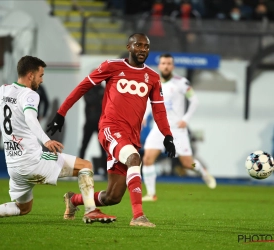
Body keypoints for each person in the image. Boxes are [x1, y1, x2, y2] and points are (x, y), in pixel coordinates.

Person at [47, 33, 176, 227]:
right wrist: (61, 112)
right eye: (138, 45)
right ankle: (138, 216)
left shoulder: (153, 77)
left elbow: (159, 109)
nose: (142, 50)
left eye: (146, 47)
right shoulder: (112, 66)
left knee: (113, 197)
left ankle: (73, 200)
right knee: (135, 158)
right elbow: (83, 87)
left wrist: (168, 135)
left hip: (131, 137)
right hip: (110, 128)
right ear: (129, 46)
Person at [0, 56, 116, 224]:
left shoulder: (4, 90)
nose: (42, 80)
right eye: (40, 75)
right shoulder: (30, 95)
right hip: (33, 161)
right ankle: (91, 211)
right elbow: (30, 118)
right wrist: (46, 140)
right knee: (85, 166)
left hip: (14, 167)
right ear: (30, 75)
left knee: (23, 208)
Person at [141, 53, 216, 202]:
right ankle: (151, 194)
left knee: (188, 164)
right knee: (148, 159)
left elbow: (195, 101)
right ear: (160, 65)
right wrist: (144, 116)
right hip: (159, 129)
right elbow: (151, 102)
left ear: (173, 66)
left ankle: (202, 170)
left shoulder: (181, 82)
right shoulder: (153, 82)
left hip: (177, 130)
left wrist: (185, 119)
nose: (166, 66)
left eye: (169, 63)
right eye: (163, 63)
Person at [79, 83, 106, 175]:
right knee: (84, 146)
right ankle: (79, 167)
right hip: (89, 123)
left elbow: (106, 102)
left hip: (100, 124)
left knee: (103, 147)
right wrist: (99, 99)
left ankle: (105, 170)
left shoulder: (103, 89)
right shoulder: (88, 89)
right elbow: (89, 100)